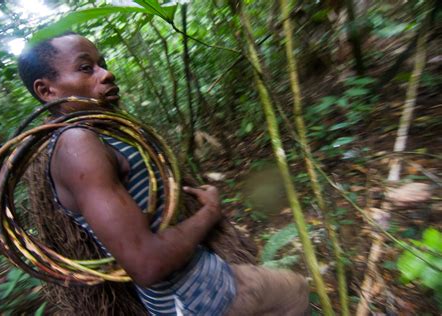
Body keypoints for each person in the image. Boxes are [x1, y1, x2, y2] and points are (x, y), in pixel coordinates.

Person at [18, 32, 309, 315]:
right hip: (201, 301)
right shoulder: (77, 143)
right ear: (47, 90)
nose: (106, 74)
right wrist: (210, 211)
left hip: (204, 288)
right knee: (294, 291)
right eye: (86, 68)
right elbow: (146, 264)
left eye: (102, 63)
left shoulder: (98, 135)